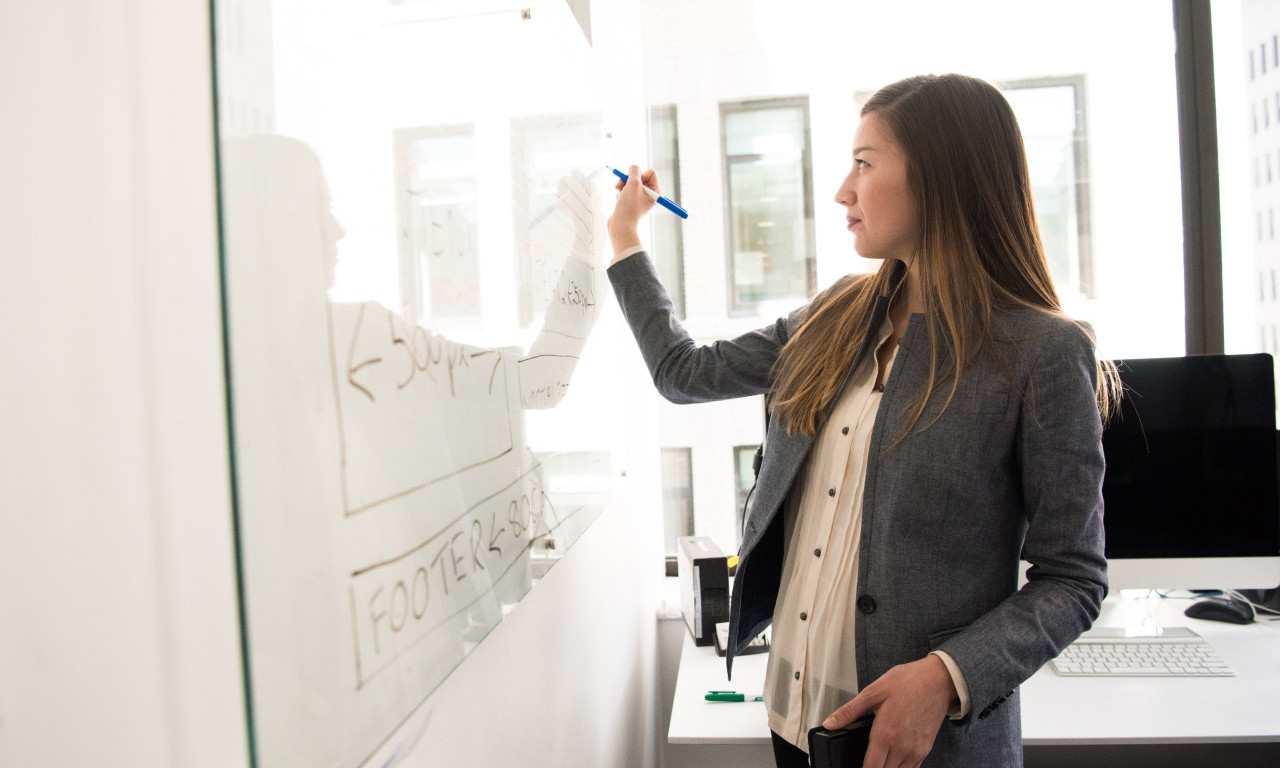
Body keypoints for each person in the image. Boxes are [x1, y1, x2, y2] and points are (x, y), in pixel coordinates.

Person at [605, 74, 1118, 768]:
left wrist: (945, 675)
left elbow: (1073, 579)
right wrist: (626, 239)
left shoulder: (1043, 354)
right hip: (793, 721)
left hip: (921, 746)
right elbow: (684, 374)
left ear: (941, 178)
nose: (843, 191)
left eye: (864, 163)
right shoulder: (833, 315)